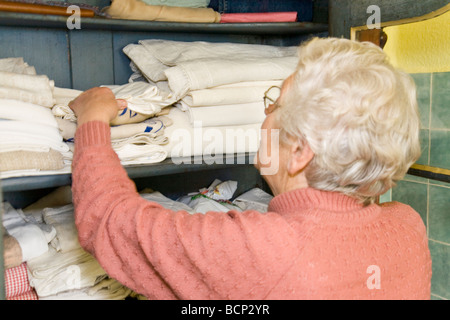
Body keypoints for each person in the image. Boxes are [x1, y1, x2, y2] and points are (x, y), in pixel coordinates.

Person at [69, 37, 432, 300]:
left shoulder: (265, 249)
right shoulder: (407, 225)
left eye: (274, 105)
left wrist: (93, 118)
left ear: (301, 150)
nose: (264, 113)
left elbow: (109, 221)